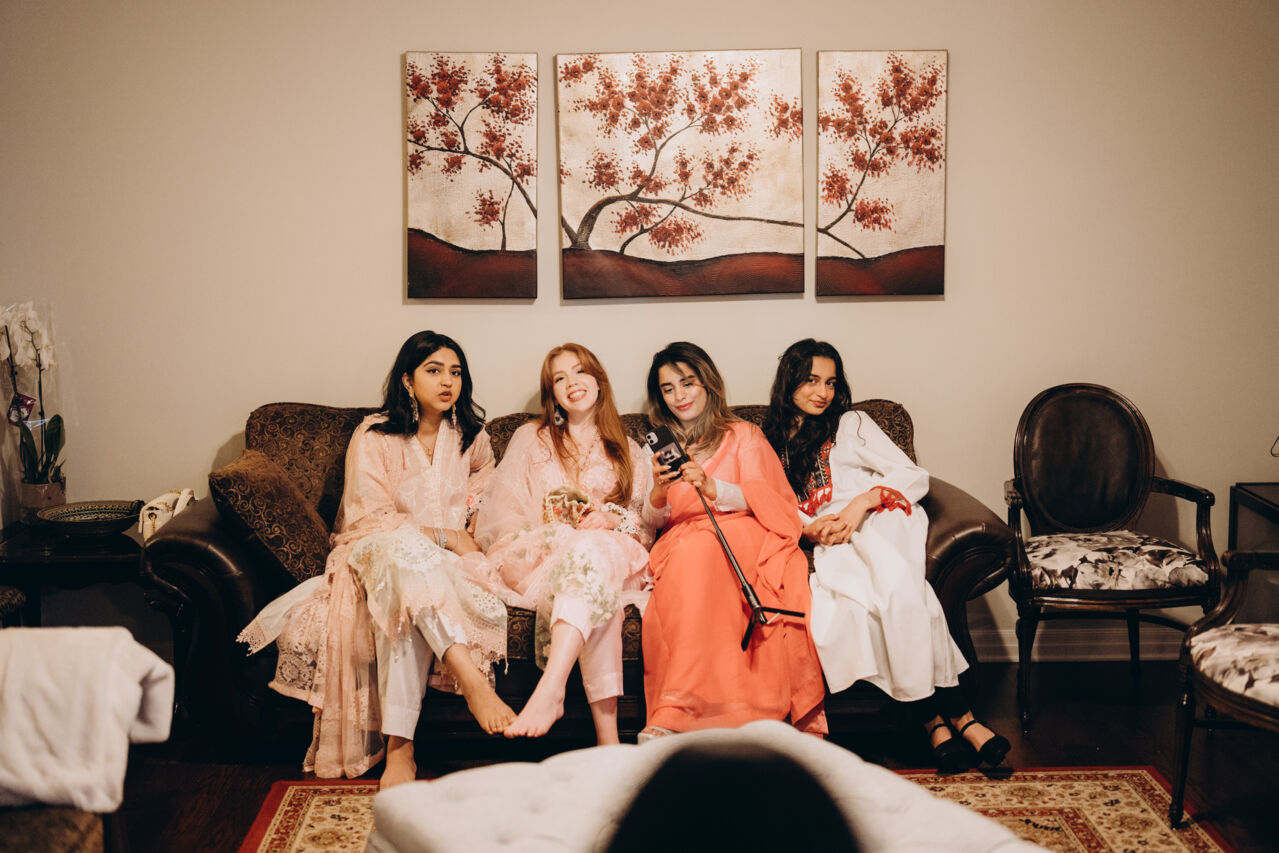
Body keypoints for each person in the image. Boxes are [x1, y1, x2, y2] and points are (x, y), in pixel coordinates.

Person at [238, 331, 512, 787]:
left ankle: (401, 749)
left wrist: (472, 515)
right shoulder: (374, 434)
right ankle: (470, 680)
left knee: (403, 607)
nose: (448, 382)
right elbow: (372, 518)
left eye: (456, 372)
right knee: (402, 560)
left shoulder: (470, 436)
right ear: (407, 379)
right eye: (434, 370)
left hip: (438, 565)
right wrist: (447, 535)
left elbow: (488, 474)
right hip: (374, 550)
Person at [763, 338, 1010, 772]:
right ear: (789, 382)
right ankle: (951, 720)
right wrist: (810, 528)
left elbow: (911, 475)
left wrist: (860, 504)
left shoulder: (852, 423)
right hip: (833, 536)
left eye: (831, 383)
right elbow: (774, 503)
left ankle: (945, 723)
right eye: (812, 381)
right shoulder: (770, 442)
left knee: (895, 591)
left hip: (882, 517)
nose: (823, 392)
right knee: (891, 600)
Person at [641, 341, 826, 738]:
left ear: (708, 383)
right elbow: (652, 522)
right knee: (692, 550)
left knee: (703, 547)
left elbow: (766, 497)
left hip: (741, 531)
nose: (679, 396)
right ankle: (682, 708)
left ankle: (686, 709)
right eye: (668, 389)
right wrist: (658, 492)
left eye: (687, 383)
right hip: (683, 539)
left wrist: (712, 486)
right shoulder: (654, 449)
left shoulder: (743, 434)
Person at [473, 343, 653, 743]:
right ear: (551, 394)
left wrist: (612, 519)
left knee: (594, 554)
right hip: (546, 556)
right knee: (594, 582)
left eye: (581, 371)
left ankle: (551, 690)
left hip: (613, 551)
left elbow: (646, 526)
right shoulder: (530, 439)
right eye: (560, 378)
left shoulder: (629, 448)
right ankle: (608, 741)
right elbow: (503, 514)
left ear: (599, 381)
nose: (572, 382)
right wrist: (553, 531)